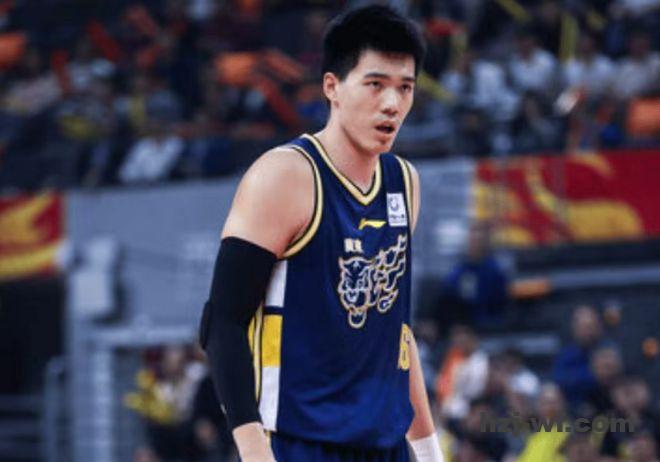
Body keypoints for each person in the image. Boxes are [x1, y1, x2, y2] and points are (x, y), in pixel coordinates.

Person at [199, 5, 443, 462]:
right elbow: (222, 323)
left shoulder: (404, 183)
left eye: (405, 88)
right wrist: (254, 452)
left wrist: (430, 452)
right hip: (300, 443)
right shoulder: (284, 175)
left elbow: (396, 332)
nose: (392, 103)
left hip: (387, 447)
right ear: (332, 87)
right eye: (375, 84)